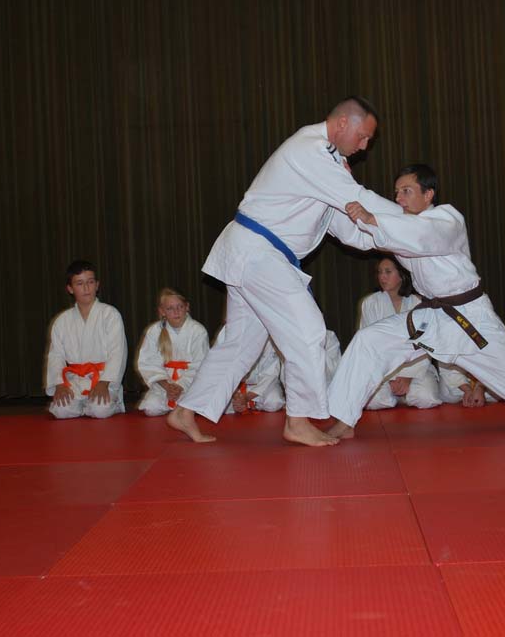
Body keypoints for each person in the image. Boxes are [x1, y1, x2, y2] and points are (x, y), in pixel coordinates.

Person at [167, 97, 401, 446]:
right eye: (363, 136)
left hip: (259, 255)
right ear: (342, 124)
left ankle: (185, 411)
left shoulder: (329, 164)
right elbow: (357, 197)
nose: (365, 146)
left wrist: (394, 238)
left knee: (241, 343)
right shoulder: (310, 150)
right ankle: (298, 420)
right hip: (259, 253)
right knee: (308, 330)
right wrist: (411, 219)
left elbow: (347, 229)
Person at [327, 164, 505, 439]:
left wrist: (373, 218)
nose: (399, 198)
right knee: (368, 340)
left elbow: (419, 234)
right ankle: (345, 419)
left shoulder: (447, 218)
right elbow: (367, 226)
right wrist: (340, 188)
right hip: (431, 315)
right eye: (396, 192)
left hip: (469, 317)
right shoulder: (401, 226)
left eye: (406, 191)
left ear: (428, 194)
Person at [44, 260, 127, 419]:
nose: (86, 288)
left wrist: (104, 382)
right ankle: (82, 405)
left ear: (97, 285)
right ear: (70, 289)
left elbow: (118, 352)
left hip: (102, 378)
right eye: (80, 283)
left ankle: (113, 402)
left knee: (100, 410)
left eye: (90, 282)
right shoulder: (62, 321)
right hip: (75, 381)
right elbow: (56, 355)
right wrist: (60, 385)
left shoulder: (110, 314)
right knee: (60, 411)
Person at [358, 257, 441, 410]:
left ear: (402, 275)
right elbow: (369, 345)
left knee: (427, 399)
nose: (382, 277)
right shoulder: (370, 304)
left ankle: (404, 393)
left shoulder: (419, 304)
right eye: (379, 272)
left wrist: (408, 376)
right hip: (383, 371)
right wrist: (390, 376)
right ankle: (398, 396)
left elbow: (425, 344)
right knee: (374, 401)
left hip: (416, 368)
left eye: (388, 272)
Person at [135, 288, 210, 416]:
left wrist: (180, 386)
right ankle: (177, 405)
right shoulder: (155, 331)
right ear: (162, 311)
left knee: (196, 406)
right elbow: (148, 362)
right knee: (151, 408)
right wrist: (167, 386)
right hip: (164, 385)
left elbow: (200, 364)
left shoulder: (198, 331)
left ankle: (182, 405)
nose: (176, 312)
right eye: (170, 308)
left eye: (180, 307)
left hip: (189, 384)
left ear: (187, 307)